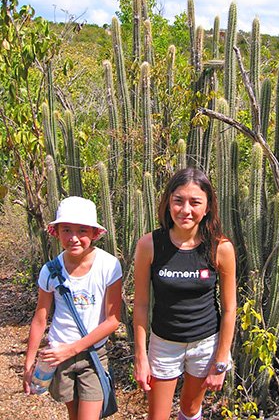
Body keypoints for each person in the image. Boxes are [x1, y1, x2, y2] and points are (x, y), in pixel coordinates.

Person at [133, 168, 236, 420]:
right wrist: (140, 356)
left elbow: (229, 308)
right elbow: (142, 304)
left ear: (208, 206)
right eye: (178, 200)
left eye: (195, 202)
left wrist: (221, 360)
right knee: (157, 416)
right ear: (168, 202)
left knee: (190, 410)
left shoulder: (220, 248)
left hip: (205, 344)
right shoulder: (149, 245)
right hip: (164, 343)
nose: (185, 210)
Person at [23, 196, 122, 420]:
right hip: (58, 356)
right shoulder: (50, 270)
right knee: (74, 415)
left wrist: (73, 348)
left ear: (94, 234)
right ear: (55, 232)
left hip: (93, 354)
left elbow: (113, 320)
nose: (74, 238)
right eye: (66, 230)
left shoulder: (108, 266)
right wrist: (29, 364)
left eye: (82, 231)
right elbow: (40, 318)